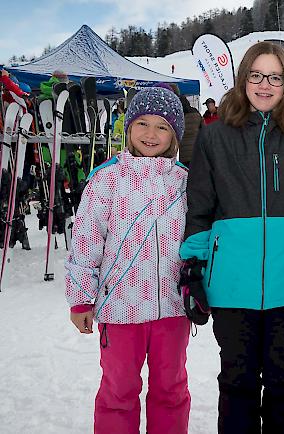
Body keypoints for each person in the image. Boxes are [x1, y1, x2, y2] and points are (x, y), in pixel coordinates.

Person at [179, 41, 284, 433]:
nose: (265, 85)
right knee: (236, 383)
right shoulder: (214, 138)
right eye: (257, 75)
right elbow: (199, 207)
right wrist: (193, 269)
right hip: (231, 285)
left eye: (275, 78)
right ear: (243, 77)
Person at [64, 86, 191, 434]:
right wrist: (80, 299)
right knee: (119, 391)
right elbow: (86, 242)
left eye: (163, 126)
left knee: (171, 388)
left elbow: (196, 242)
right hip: (120, 309)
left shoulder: (184, 182)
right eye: (143, 124)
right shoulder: (107, 179)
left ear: (175, 134)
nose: (151, 134)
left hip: (172, 309)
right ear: (128, 127)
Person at [178, 95, 202, 167]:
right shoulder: (196, 113)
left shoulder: (180, 115)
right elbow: (203, 128)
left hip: (184, 150)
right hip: (196, 148)